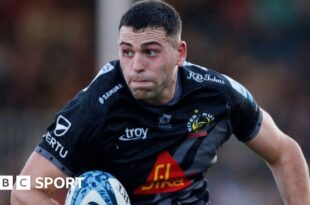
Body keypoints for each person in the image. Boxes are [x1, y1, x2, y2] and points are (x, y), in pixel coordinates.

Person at [11, 0, 310, 204]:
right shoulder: (95, 105)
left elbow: (285, 152)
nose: (136, 65)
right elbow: (23, 189)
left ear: (180, 53)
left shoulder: (219, 95)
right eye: (127, 52)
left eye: (150, 52)